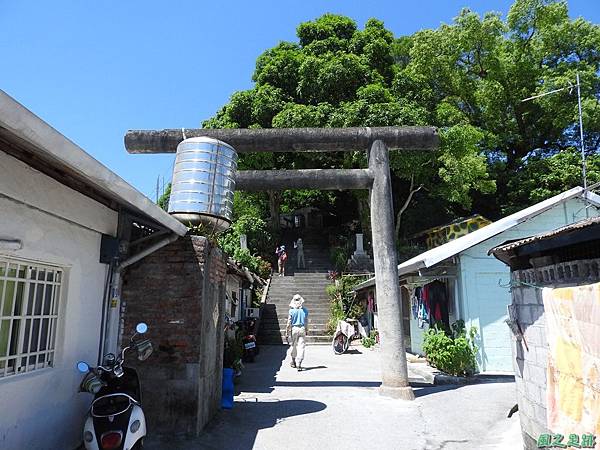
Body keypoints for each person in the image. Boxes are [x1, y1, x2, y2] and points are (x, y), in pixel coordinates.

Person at [286, 294, 309, 371]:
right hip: (302, 328)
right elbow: (306, 322)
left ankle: (293, 361)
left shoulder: (291, 311)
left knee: (294, 345)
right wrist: (306, 330)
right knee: (301, 346)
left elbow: (289, 322)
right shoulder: (305, 310)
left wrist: (287, 331)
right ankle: (299, 363)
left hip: (294, 329)